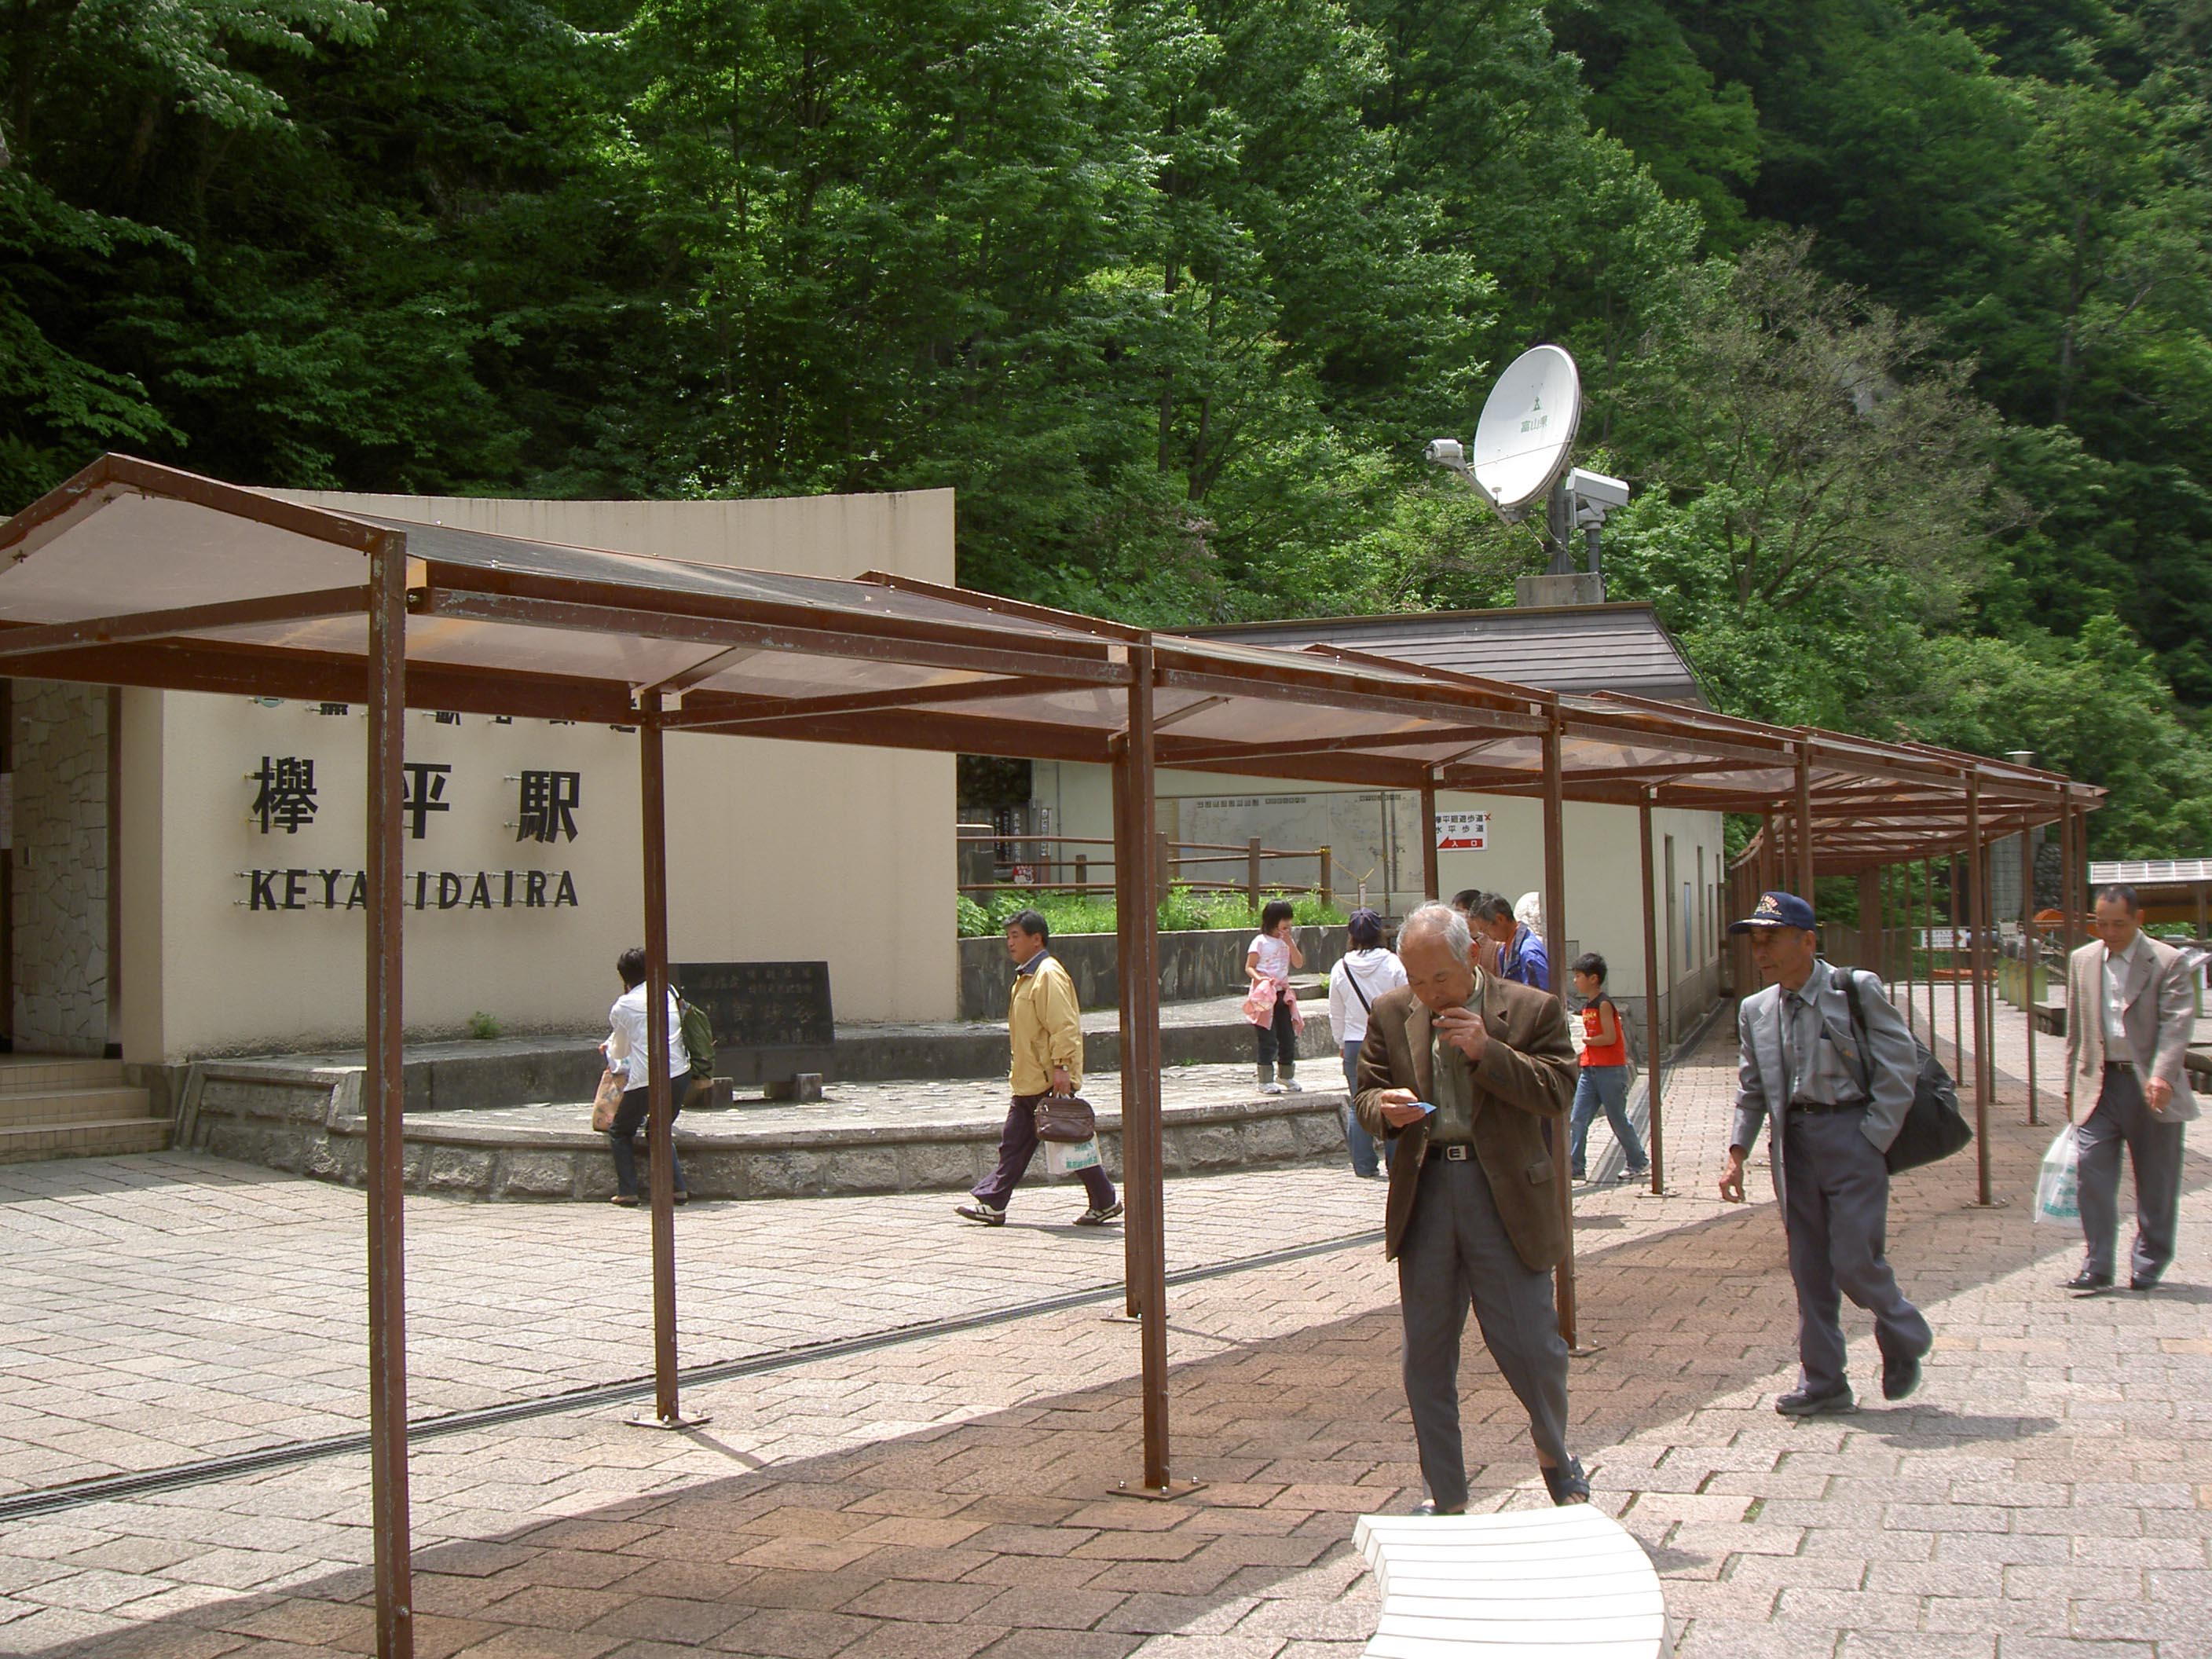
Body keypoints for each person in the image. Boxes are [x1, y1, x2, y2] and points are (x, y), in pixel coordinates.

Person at [1353, 902, 1588, 1511]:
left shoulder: (1532, 1009)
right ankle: (1446, 1493)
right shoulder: (1391, 1012)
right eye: (1416, 979)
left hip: (1503, 1192)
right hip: (1427, 1189)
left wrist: (1489, 1051)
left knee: (1533, 1347)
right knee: (1426, 1357)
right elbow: (1366, 1094)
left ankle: (1555, 1453)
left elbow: (1558, 1091)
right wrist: (1386, 1109)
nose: (1429, 993)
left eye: (1440, 978)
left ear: (1473, 956)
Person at [1719, 891, 1931, 1415]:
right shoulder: (1756, 1010)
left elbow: (1900, 1063)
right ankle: (1824, 1381)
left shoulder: (1853, 989)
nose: (1761, 951)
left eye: (1772, 939)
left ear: (1807, 941)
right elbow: (1752, 1088)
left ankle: (1905, 1329)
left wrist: (1874, 1135)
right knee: (1809, 1269)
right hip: (1794, 1146)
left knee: (1855, 1260)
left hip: (1851, 1134)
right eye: (1755, 941)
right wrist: (1737, 1152)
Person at [2061, 884, 2197, 1294]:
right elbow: (2075, 1031)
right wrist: (2070, 1086)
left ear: (2138, 919)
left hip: (2149, 1085)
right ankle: (2097, 1264)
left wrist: (2163, 1075)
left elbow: (2177, 1023)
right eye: (2101, 924)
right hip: (2099, 1084)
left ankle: (2149, 1262)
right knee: (2091, 1172)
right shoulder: (2082, 960)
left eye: (2118, 924)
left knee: (2156, 1180)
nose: (2109, 933)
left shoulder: (2167, 961)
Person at [956, 910, 1122, 1227]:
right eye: (1008, 936)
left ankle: (995, 1202)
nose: (1010, 942)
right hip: (1030, 1079)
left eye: (1016, 936)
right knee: (1025, 1142)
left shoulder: (1047, 974)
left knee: (1061, 1136)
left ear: (1037, 939)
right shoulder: (1027, 976)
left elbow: (1064, 1025)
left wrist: (1062, 1066)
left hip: (1047, 1078)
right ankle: (1102, 1201)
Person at [603, 946, 690, 1207]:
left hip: (647, 1079)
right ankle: (677, 1189)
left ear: (624, 976)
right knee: (658, 1129)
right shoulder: (669, 991)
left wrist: (607, 1048)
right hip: (680, 1073)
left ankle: (628, 1191)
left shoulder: (623, 1005)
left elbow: (620, 1052)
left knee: (620, 1131)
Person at [1327, 907, 1408, 1178]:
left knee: (1358, 1102)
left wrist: (1340, 1041)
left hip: (1354, 1040)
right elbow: (1407, 1002)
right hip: (1390, 1040)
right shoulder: (1393, 964)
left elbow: (1335, 1011)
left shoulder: (1341, 967)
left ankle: (1363, 1165)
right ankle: (1397, 1164)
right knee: (1396, 1100)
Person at [1567, 952, 1646, 1182]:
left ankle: (1638, 1160)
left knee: (1617, 1118)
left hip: (1610, 1070)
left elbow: (1610, 1037)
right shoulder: (1587, 1005)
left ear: (1593, 979)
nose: (1575, 981)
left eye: (1579, 976)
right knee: (1578, 1118)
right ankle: (1576, 1167)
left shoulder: (1604, 1004)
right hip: (1590, 1069)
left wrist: (1588, 1041)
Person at [1247, 898, 1306, 1095]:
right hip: (1264, 994)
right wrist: (1260, 979)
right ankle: (1264, 1080)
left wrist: (1290, 943)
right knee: (1267, 1036)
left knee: (1287, 1036)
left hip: (1282, 994)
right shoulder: (1260, 942)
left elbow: (1298, 963)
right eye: (1284, 920)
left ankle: (1286, 1075)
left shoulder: (1286, 943)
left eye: (1289, 920)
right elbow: (1250, 966)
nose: (1288, 924)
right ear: (1273, 920)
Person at [1472, 893, 1549, 991]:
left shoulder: (1528, 952)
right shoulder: (1504, 951)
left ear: (1500, 919)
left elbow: (1541, 995)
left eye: (1485, 930)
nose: (1487, 936)